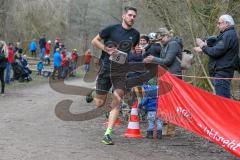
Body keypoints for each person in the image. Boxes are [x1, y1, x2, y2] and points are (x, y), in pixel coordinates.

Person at [91, 6, 140, 145]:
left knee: (117, 100)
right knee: (99, 104)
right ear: (124, 16)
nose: (132, 18)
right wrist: (106, 49)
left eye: (134, 16)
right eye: (130, 15)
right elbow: (94, 41)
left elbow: (132, 50)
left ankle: (107, 134)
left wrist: (137, 51)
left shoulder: (136, 34)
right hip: (107, 67)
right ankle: (94, 92)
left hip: (121, 70)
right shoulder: (111, 29)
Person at [143, 28, 183, 136]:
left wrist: (153, 59)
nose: (160, 41)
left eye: (161, 39)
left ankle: (171, 129)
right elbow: (162, 62)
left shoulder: (173, 44)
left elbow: (167, 61)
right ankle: (165, 127)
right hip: (165, 77)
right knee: (165, 102)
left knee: (171, 103)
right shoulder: (165, 46)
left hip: (174, 77)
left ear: (166, 36)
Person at [194, 14, 239, 98]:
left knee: (223, 102)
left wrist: (202, 46)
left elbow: (216, 52)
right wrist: (204, 48)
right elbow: (218, 49)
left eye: (219, 23)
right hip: (221, 73)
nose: (217, 25)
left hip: (222, 73)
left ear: (226, 23)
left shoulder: (228, 34)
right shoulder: (227, 34)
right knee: (221, 100)